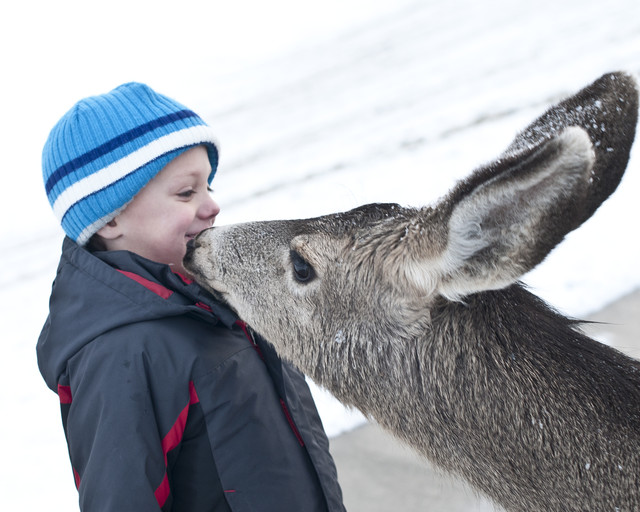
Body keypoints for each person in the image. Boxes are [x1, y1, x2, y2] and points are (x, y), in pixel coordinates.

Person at [37, 82, 345, 511]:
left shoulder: (223, 299)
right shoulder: (122, 353)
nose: (212, 206)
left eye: (209, 188)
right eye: (186, 192)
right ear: (109, 220)